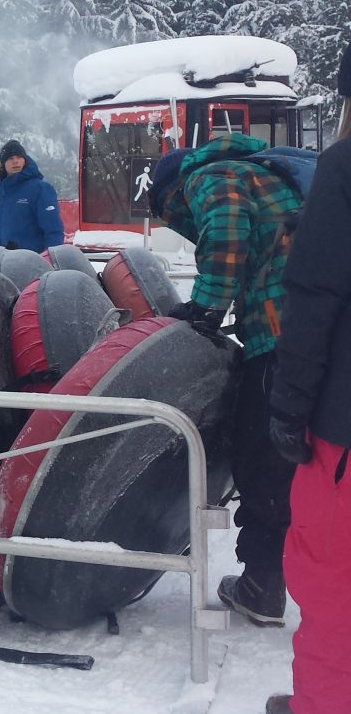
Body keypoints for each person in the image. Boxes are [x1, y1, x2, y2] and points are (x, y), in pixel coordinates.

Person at [148, 133, 304, 630]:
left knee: (262, 458)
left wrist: (207, 306)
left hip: (283, 336)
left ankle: (262, 583)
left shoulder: (208, 176)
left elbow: (228, 227)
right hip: (321, 330)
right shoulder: (269, 174)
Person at [265, 62, 351, 714]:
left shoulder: (344, 170)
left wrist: (288, 410)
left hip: (343, 430)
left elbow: (314, 299)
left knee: (333, 588)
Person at [0, 140, 65, 253]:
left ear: (25, 160)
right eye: (10, 158)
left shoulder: (41, 189)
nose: (15, 161)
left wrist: (50, 260)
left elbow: (53, 231)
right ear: (3, 164)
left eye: (19, 157)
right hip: (6, 261)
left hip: (35, 261)